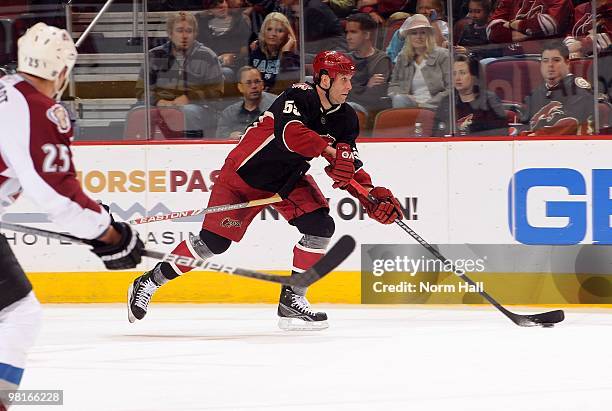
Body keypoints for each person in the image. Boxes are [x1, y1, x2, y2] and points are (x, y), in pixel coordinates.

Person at [127, 50, 403, 331]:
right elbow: (291, 135)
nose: (348, 86)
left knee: (320, 227)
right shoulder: (298, 95)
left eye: (350, 79)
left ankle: (292, 300)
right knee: (213, 243)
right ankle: (149, 281)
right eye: (343, 79)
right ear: (323, 79)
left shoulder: (346, 119)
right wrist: (332, 152)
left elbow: (349, 166)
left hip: (286, 180)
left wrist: (369, 195)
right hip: (243, 177)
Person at [0, 23, 144, 410]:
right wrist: (108, 234)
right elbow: (58, 194)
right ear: (62, 71)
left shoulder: (6, 92)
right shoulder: (37, 107)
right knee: (18, 316)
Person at [135, 11, 224, 138]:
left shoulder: (207, 56)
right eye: (179, 30)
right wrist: (158, 101)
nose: (184, 36)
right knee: (137, 112)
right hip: (161, 104)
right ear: (170, 33)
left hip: (199, 108)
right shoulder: (154, 55)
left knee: (188, 111)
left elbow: (216, 91)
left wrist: (190, 98)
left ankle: (192, 150)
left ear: (195, 34)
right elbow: (141, 90)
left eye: (189, 31)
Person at [519, 40, 594, 136]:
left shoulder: (578, 88)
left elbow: (570, 123)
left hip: (575, 147)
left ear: (567, 63)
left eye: (556, 60)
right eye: (545, 61)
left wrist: (534, 137)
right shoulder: (535, 94)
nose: (550, 65)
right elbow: (524, 126)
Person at [433, 53, 508, 136]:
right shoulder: (447, 102)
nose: (457, 78)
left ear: (474, 76)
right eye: (454, 73)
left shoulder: (490, 101)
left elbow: (501, 134)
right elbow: (436, 135)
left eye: (462, 73)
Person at [387, 14, 450, 109]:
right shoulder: (403, 57)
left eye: (423, 33)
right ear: (409, 37)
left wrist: (426, 104)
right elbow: (393, 85)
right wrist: (402, 95)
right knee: (399, 99)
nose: (419, 37)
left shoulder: (443, 55)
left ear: (429, 35)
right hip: (409, 106)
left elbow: (450, 88)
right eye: (414, 33)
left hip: (436, 106)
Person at [345, 13, 392, 118]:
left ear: (367, 35)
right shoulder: (345, 59)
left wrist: (352, 88)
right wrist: (366, 86)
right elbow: (339, 92)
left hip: (367, 110)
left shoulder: (381, 60)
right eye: (347, 32)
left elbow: (374, 96)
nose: (348, 37)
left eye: (353, 32)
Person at [486, 0, 574, 53]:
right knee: (487, 62)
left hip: (545, 57)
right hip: (510, 56)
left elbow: (550, 24)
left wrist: (511, 24)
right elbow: (491, 31)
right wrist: (532, 32)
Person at [197, 0, 252, 83]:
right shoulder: (202, 23)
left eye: (222, 2)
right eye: (215, 5)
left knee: (224, 72)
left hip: (232, 65)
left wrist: (234, 57)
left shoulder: (239, 21)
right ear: (209, 11)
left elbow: (246, 49)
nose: (221, 6)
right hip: (208, 64)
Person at [216, 66, 276, 139]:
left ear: (262, 85)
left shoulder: (277, 106)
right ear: (240, 87)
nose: (254, 86)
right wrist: (229, 137)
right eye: (248, 83)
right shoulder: (229, 113)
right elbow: (219, 139)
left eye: (257, 82)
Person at [248, 12, 300, 93]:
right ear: (263, 31)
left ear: (287, 35)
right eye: (269, 29)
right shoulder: (256, 50)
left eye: (279, 31)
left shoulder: (292, 57)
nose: (273, 34)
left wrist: (286, 52)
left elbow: (290, 83)